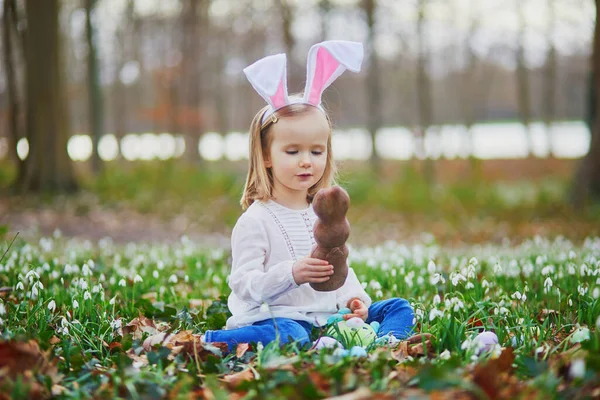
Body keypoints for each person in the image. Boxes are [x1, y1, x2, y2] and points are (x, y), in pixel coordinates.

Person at [203, 41, 414, 351]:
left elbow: (341, 268)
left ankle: (381, 346)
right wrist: (292, 273)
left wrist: (355, 300)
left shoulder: (323, 213)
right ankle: (213, 341)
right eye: (293, 151)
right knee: (292, 335)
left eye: (317, 151)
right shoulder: (256, 220)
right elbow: (244, 285)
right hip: (278, 317)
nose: (307, 161)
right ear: (266, 156)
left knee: (398, 307)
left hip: (328, 317)